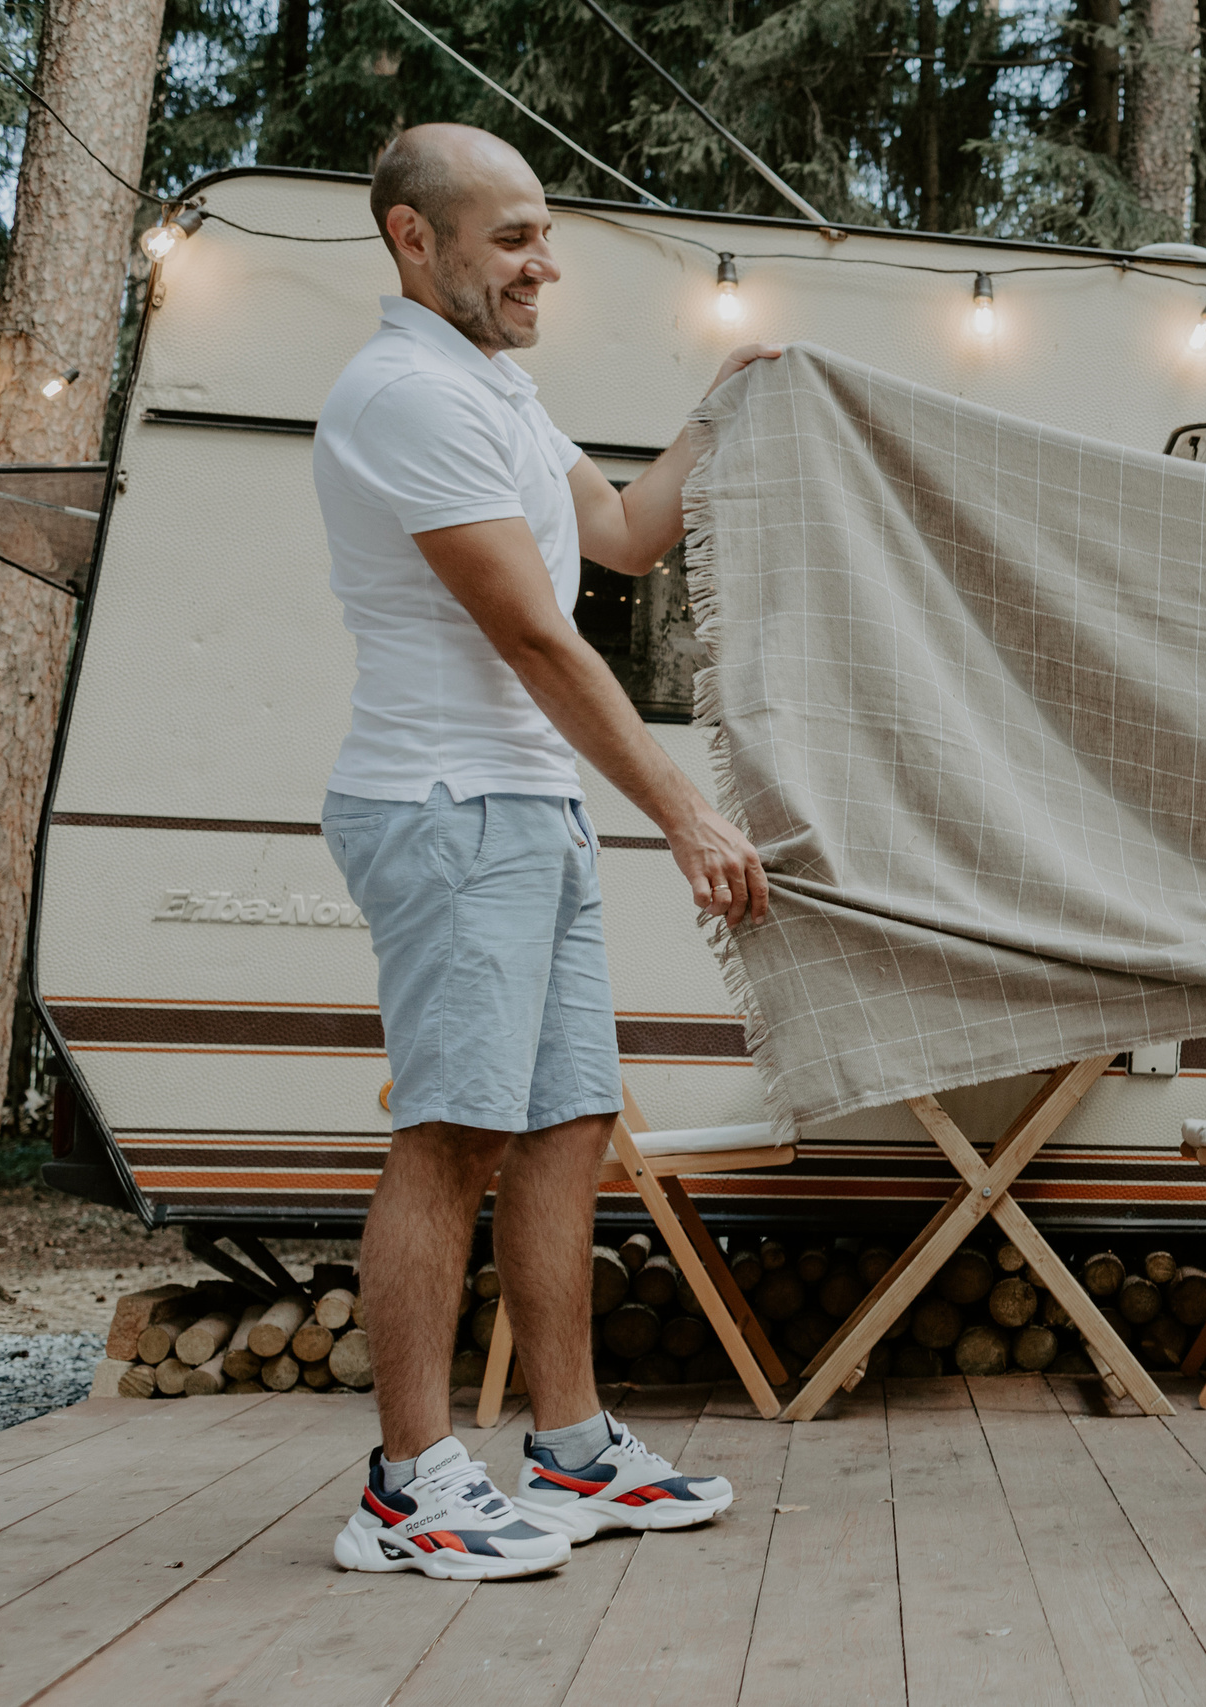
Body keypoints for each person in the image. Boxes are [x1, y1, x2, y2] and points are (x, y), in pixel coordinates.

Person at [317, 124, 778, 1580]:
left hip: (528, 810)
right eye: (513, 235)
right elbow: (532, 629)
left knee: (570, 1121)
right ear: (414, 237)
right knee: (453, 1131)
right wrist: (686, 808)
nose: (545, 261)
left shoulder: (498, 387)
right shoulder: (400, 394)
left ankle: (571, 1450)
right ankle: (405, 1480)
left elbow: (630, 538)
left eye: (543, 234)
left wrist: (719, 411)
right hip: (449, 803)